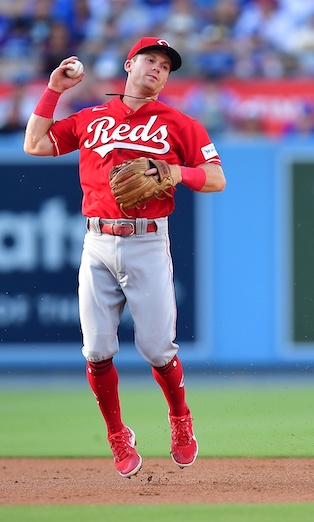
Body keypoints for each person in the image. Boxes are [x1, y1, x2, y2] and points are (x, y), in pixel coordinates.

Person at [23, 37, 226, 477]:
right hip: (96, 241)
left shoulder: (179, 124)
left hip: (148, 240)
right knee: (96, 350)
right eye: (150, 60)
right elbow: (35, 145)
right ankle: (118, 435)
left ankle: (180, 419)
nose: (157, 68)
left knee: (157, 348)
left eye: (165, 66)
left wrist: (174, 171)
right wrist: (54, 89)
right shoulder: (92, 117)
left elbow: (215, 178)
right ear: (129, 64)